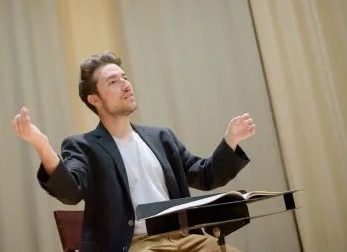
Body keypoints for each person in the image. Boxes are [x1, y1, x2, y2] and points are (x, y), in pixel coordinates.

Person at [13, 51, 256, 252]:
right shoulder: (83, 146)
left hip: (185, 239)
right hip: (134, 246)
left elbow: (206, 176)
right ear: (95, 99)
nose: (126, 85)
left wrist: (231, 139)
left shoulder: (162, 138)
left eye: (124, 77)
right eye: (113, 82)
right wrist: (42, 146)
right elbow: (71, 192)